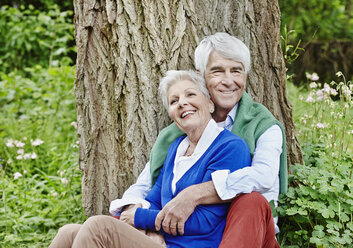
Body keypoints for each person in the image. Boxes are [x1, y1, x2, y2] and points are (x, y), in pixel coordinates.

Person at [110, 32, 286, 248]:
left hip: (249, 233)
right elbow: (146, 186)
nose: (228, 80)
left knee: (251, 201)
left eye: (236, 71)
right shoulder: (177, 136)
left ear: (246, 75)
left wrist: (194, 194)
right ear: (201, 75)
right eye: (217, 71)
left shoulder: (263, 126)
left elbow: (263, 177)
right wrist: (143, 223)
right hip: (186, 235)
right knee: (82, 231)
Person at [49, 70, 251, 248]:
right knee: (68, 232)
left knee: (100, 227)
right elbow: (154, 199)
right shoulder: (177, 148)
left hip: (190, 245)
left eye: (190, 94)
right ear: (171, 113)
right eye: (174, 101)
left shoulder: (229, 147)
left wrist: (138, 217)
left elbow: (204, 220)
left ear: (209, 103)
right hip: (159, 241)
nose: (182, 103)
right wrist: (151, 230)